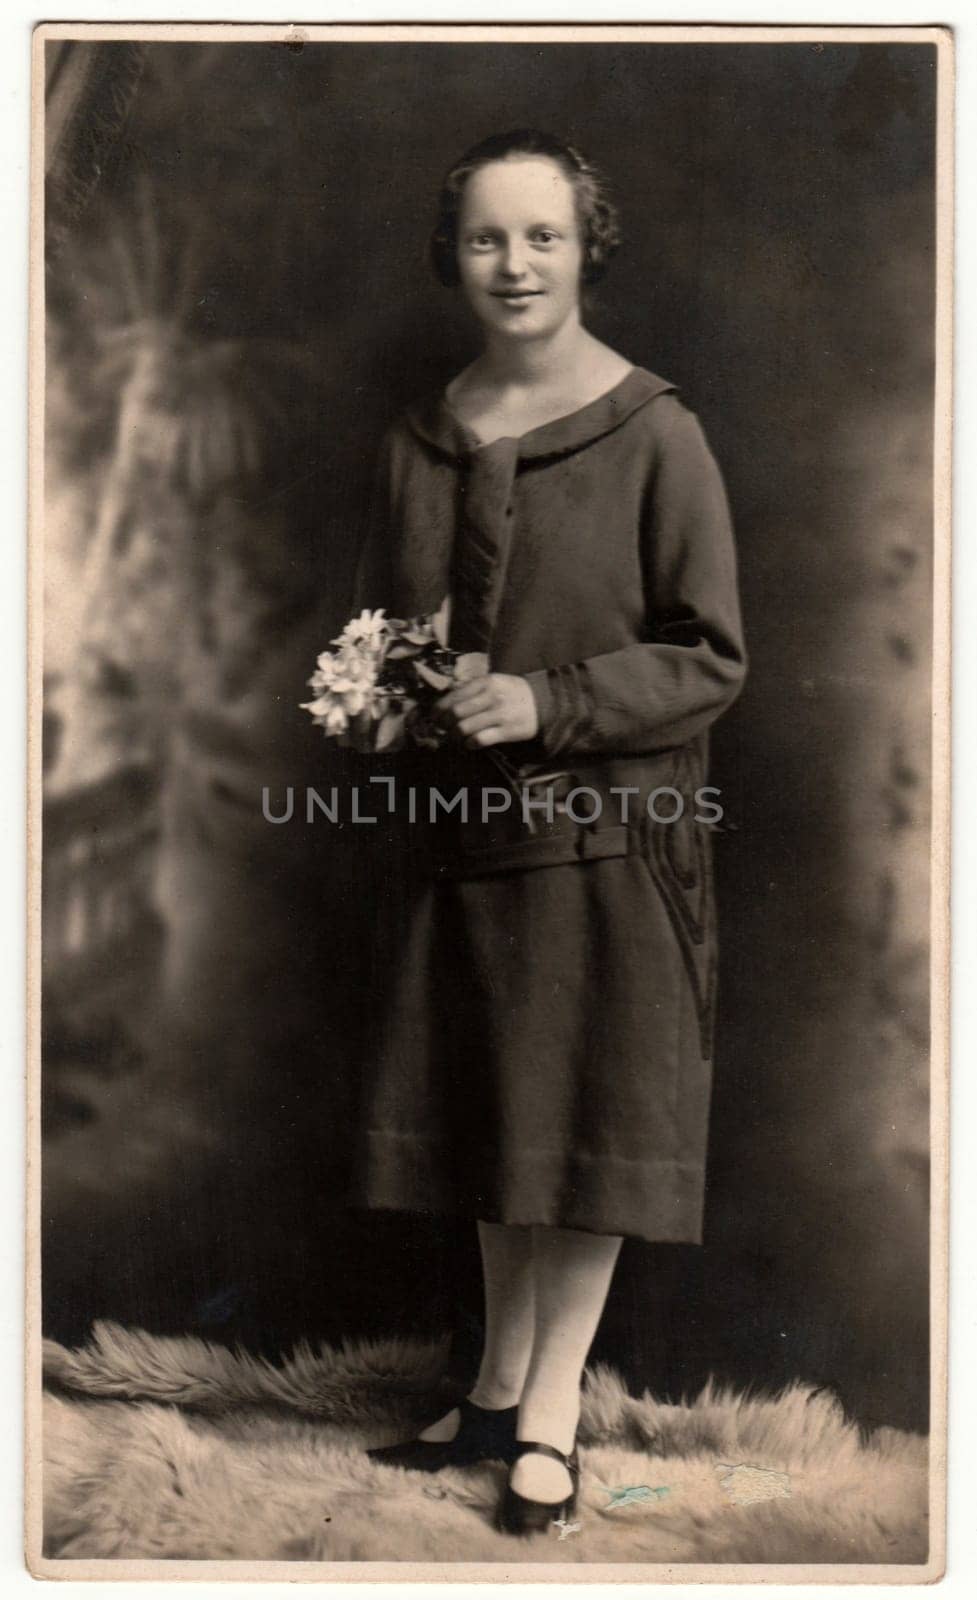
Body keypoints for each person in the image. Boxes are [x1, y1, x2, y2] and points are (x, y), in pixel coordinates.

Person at [347, 129, 747, 1536]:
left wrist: (548, 698)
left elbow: (710, 657)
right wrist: (382, 696)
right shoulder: (420, 435)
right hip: (462, 838)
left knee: (576, 1120)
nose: (512, 265)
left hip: (612, 843)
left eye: (542, 238)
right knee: (492, 1116)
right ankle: (497, 1385)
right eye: (483, 239)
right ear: (449, 255)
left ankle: (554, 1415)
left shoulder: (655, 432)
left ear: (587, 250)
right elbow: (392, 631)